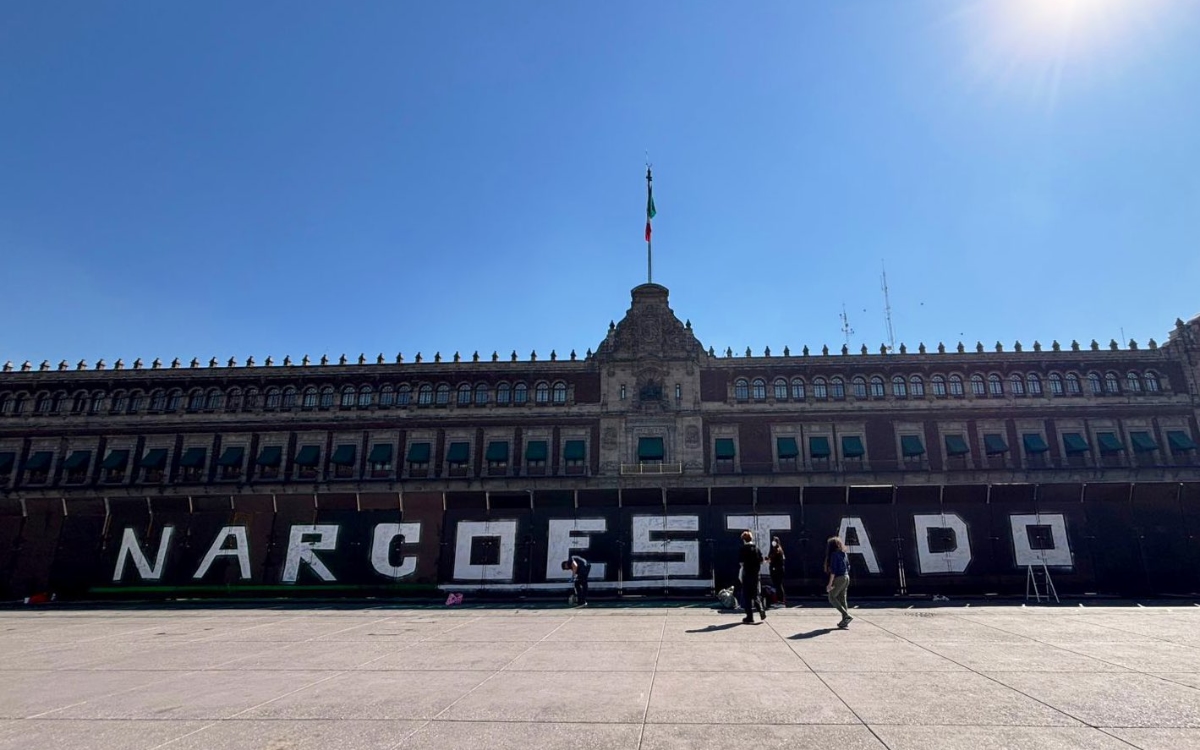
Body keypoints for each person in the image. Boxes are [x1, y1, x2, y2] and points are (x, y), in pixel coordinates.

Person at [738, 530, 767, 624]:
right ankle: (761, 609)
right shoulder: (756, 548)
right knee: (755, 594)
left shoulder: (743, 549)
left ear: (744, 540)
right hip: (755, 575)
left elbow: (741, 563)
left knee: (747, 596)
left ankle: (749, 617)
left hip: (746, 574)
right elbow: (762, 561)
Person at [824, 536, 852, 628]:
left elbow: (833, 570)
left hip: (839, 577)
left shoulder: (834, 555)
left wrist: (830, 584)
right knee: (842, 599)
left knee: (832, 597)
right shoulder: (844, 553)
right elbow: (848, 566)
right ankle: (845, 620)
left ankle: (846, 615)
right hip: (846, 576)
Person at [766, 536, 786, 607]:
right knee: (777, 585)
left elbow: (774, 559)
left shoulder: (778, 550)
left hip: (777, 570)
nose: (773, 542)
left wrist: (769, 560)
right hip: (775, 569)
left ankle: (781, 601)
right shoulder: (774, 550)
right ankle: (779, 600)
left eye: (775, 541)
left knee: (778, 585)